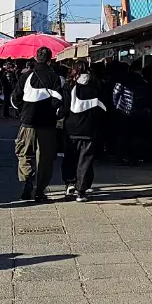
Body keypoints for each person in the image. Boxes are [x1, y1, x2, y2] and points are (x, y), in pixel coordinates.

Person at [12, 47, 62, 203]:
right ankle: (40, 191)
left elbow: (15, 99)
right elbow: (58, 102)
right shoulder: (54, 78)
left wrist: (23, 110)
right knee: (45, 158)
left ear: (35, 58)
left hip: (28, 122)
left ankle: (28, 179)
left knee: (23, 153)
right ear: (50, 60)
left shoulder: (26, 76)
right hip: (47, 124)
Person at [60, 60, 106, 202]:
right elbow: (103, 108)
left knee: (70, 157)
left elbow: (64, 108)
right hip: (90, 128)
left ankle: (70, 184)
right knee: (85, 160)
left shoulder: (69, 85)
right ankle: (81, 191)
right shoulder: (96, 85)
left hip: (71, 128)